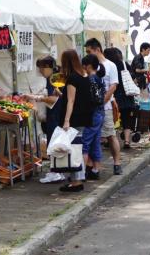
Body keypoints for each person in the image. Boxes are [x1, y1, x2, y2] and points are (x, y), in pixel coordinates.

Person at [84, 38, 122, 175]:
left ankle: (117, 163)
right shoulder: (90, 65)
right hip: (93, 108)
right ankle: (94, 166)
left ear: (97, 49)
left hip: (105, 107)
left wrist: (102, 101)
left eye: (89, 51)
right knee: (95, 138)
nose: (87, 53)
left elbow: (113, 86)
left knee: (111, 135)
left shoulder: (110, 65)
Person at [59, 49, 93, 192]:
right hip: (84, 116)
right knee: (77, 148)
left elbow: (71, 101)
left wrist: (66, 120)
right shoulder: (84, 75)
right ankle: (77, 178)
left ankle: (77, 181)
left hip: (75, 118)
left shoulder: (72, 78)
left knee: (74, 149)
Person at [28, 56, 65, 183]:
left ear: (48, 67)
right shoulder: (58, 76)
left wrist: (36, 97)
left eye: (41, 69)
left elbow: (53, 99)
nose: (40, 72)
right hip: (58, 115)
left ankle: (55, 172)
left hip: (55, 116)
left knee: (53, 143)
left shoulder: (53, 79)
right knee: (57, 143)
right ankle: (59, 170)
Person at [104, 48, 137, 149]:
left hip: (114, 96)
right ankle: (127, 141)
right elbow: (133, 77)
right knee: (127, 118)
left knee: (112, 119)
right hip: (127, 94)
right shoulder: (124, 64)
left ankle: (109, 140)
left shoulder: (109, 66)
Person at [80, 54, 106, 181]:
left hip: (92, 114)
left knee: (84, 143)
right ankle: (95, 170)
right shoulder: (100, 78)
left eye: (83, 66)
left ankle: (82, 172)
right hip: (100, 112)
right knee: (95, 142)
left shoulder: (90, 79)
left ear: (88, 66)